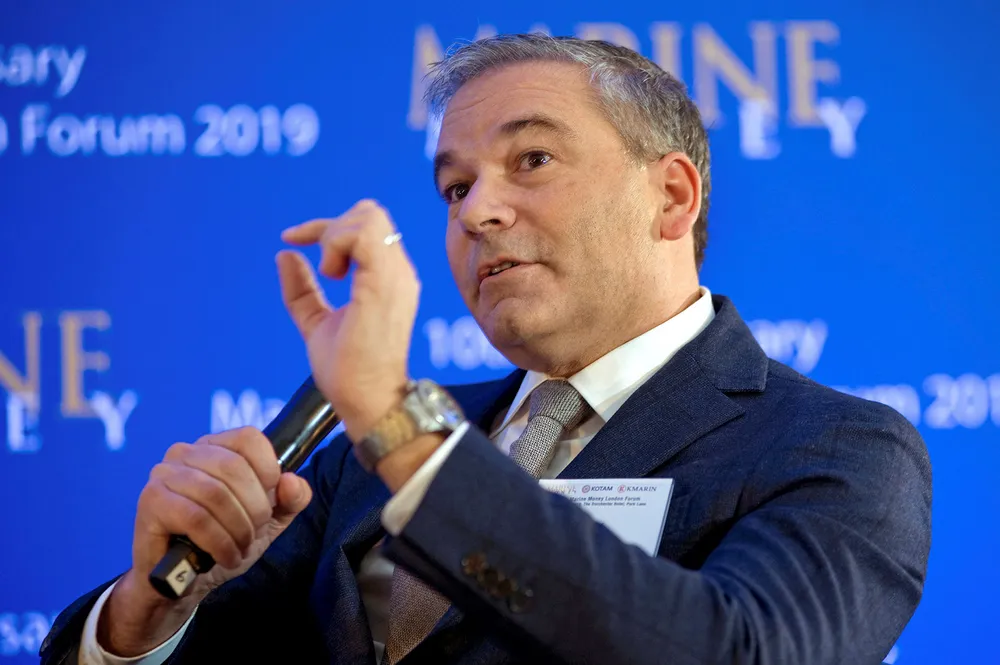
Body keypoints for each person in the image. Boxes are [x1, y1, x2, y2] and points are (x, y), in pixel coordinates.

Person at [41, 34, 931, 665]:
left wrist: (401, 427)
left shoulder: (836, 448)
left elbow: (734, 651)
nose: (476, 212)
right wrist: (145, 614)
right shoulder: (357, 458)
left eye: (532, 159)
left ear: (671, 196)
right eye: (454, 187)